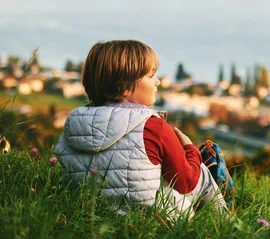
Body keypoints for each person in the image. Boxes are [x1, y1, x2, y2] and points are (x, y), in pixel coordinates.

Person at [54, 40, 228, 218]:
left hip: (89, 215)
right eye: (151, 76)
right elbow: (186, 182)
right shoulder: (152, 126)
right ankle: (227, 225)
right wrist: (190, 150)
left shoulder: (74, 121)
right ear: (125, 87)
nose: (158, 82)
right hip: (155, 220)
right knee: (202, 172)